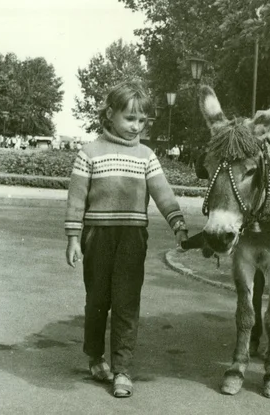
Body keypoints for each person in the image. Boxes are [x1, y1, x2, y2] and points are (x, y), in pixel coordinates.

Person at [64, 81, 189, 398]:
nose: (136, 126)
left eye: (142, 120)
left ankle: (122, 370)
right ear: (110, 115)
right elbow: (77, 200)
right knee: (97, 302)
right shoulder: (89, 153)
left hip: (133, 238)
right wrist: (73, 237)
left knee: (126, 304)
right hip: (97, 237)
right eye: (130, 118)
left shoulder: (147, 156)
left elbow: (163, 194)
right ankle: (95, 356)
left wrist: (178, 224)